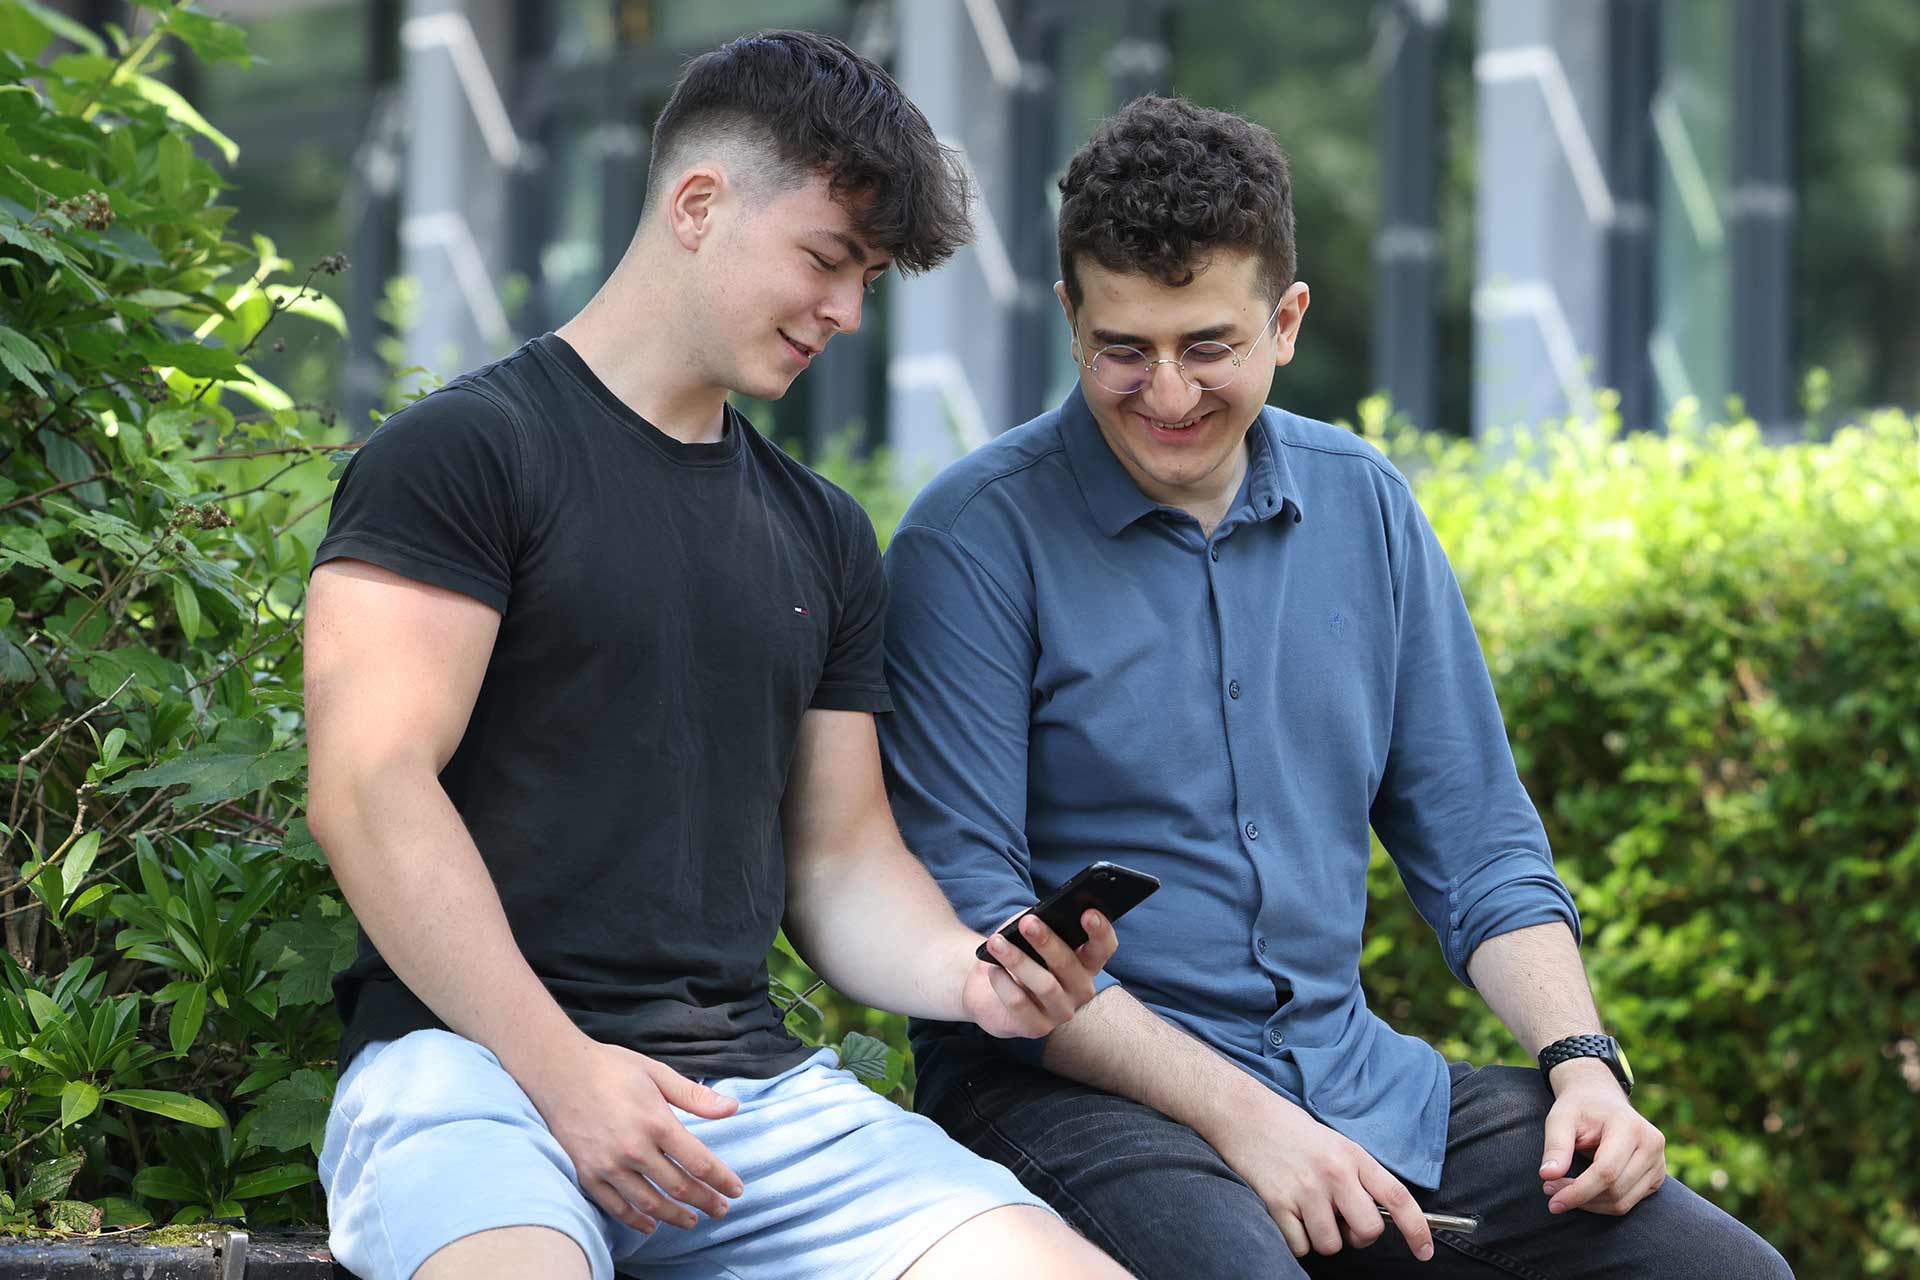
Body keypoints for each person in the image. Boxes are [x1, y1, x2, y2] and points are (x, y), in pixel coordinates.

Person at [879, 95, 1793, 1279]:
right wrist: (1251, 1122)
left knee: (1723, 1273)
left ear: (1288, 319)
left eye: (1208, 345)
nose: (1165, 394)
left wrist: (1583, 1063)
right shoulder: (970, 541)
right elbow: (978, 923)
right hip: (1067, 1089)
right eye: (1123, 348)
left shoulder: (1365, 503)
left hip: (1348, 1073)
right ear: (1069, 318)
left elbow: (1479, 845)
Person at [303, 31, 1130, 1280]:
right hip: (472, 1071)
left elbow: (843, 862)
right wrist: (566, 1071)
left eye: (868, 281)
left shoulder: (823, 532)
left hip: (749, 1105)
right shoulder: (464, 453)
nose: (847, 313)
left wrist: (980, 974)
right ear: (699, 204)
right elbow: (369, 790)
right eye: (826, 259)